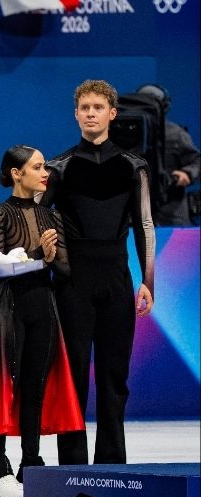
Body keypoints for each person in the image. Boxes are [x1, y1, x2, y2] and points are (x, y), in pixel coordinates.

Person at [42, 79, 156, 466]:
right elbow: (36, 218)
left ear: (112, 113)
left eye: (97, 107)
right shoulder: (58, 168)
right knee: (72, 378)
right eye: (84, 108)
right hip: (72, 283)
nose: (90, 113)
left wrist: (148, 281)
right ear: (76, 115)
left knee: (113, 378)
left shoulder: (134, 166)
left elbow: (144, 225)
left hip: (117, 280)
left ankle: (112, 466)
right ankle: (71, 469)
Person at [0, 146, 84, 497]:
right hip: (8, 307)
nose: (44, 172)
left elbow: (64, 270)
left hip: (42, 307)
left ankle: (30, 463)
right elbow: (2, 267)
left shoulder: (52, 217)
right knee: (4, 386)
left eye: (44, 166)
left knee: (35, 385)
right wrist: (39, 256)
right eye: (36, 167)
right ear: (16, 173)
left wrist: (50, 258)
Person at [135, 84, 200, 226]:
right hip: (133, 214)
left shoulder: (176, 134)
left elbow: (197, 162)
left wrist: (187, 173)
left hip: (171, 215)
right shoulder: (125, 135)